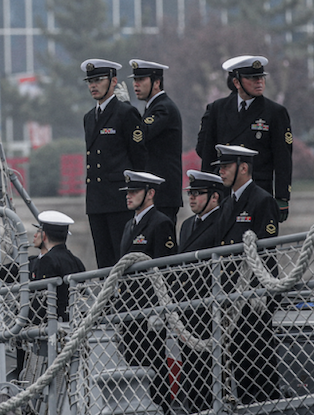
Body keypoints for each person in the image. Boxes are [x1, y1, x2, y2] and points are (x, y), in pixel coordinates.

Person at [214, 144, 280, 404]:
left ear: (243, 168)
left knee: (259, 365)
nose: (221, 172)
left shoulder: (261, 200)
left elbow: (265, 252)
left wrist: (257, 295)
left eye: (226, 167)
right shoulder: (229, 203)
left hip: (253, 300)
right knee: (239, 365)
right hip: (231, 299)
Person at [196, 55, 292, 223]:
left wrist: (282, 197)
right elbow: (205, 152)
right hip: (223, 192)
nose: (259, 82)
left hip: (258, 191)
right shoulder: (217, 109)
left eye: (261, 77)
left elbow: (283, 159)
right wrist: (206, 190)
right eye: (252, 78)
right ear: (237, 83)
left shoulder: (275, 112)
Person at [117, 171, 178, 415]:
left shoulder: (160, 223)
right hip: (130, 308)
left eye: (134, 191)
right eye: (128, 192)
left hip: (150, 310)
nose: (129, 196)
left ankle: (163, 409)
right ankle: (139, 411)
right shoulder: (129, 225)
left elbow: (166, 270)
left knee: (153, 361)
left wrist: (159, 309)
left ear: (150, 193)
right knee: (133, 360)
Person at [81, 59, 147, 269]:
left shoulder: (125, 113)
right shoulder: (89, 117)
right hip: (96, 199)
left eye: (99, 80)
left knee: (123, 259)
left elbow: (139, 158)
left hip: (119, 198)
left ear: (113, 81)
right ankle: (108, 302)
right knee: (103, 261)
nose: (93, 85)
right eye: (90, 81)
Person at [0, 210, 86, 322]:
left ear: (44, 236)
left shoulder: (47, 261)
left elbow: (41, 298)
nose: (34, 235)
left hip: (44, 324)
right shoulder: (76, 261)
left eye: (38, 232)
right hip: (71, 319)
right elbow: (10, 272)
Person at [176, 170, 224, 413]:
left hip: (209, 308)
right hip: (187, 309)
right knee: (190, 367)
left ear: (214, 197)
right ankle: (194, 412)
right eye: (190, 193)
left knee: (210, 368)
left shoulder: (222, 222)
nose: (191, 198)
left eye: (197, 194)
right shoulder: (186, 226)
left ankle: (208, 412)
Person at [129, 59, 183, 225]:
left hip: (163, 193)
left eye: (141, 80)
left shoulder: (163, 107)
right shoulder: (153, 107)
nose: (136, 85)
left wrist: (126, 109)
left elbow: (140, 135)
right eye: (135, 80)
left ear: (157, 82)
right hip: (155, 191)